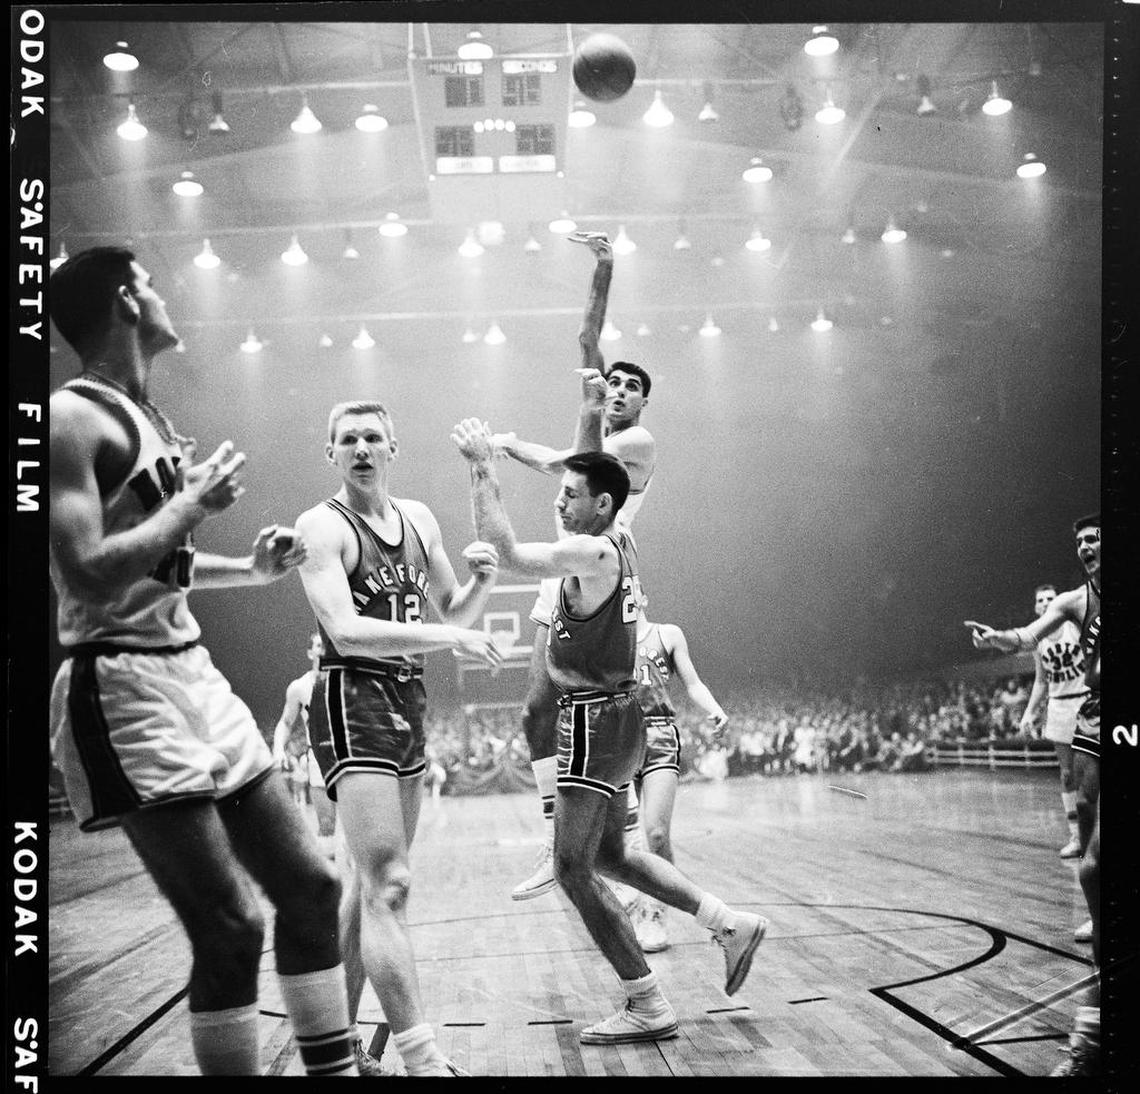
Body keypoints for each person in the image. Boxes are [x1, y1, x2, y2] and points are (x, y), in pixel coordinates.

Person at [47, 246, 357, 1076]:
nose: (163, 295)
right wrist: (190, 503)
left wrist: (247, 569)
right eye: (150, 283)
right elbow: (86, 569)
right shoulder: (70, 415)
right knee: (229, 928)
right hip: (120, 684)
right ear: (125, 299)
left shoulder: (146, 414)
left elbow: (158, 562)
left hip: (190, 670)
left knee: (312, 888)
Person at [453, 420, 767, 1045]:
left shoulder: (594, 553)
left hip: (595, 720)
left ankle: (647, 1001)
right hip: (616, 717)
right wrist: (526, 450)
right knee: (613, 856)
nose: (558, 501)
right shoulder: (617, 535)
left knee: (574, 869)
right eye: (560, 491)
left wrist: (483, 466)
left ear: (601, 504)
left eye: (570, 495)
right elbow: (566, 462)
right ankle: (726, 922)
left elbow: (506, 551)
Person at [294, 400, 504, 1077]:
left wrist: (482, 581)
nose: (361, 448)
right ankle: (422, 1057)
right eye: (347, 439)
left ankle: (333, 1052)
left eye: (372, 437)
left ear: (393, 448)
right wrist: (448, 634)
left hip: (407, 695)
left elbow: (456, 612)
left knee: (367, 886)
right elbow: (345, 630)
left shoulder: (419, 519)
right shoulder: (322, 526)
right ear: (331, 453)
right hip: (351, 694)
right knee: (391, 883)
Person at [489, 231, 657, 903]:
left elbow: (562, 462)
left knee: (604, 723)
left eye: (631, 387)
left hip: (603, 579)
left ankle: (637, 877)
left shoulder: (635, 443)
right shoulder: (593, 424)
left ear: (641, 404)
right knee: (536, 714)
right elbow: (588, 339)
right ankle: (555, 836)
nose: (618, 390)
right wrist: (603, 268)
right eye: (614, 382)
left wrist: (507, 447)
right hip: (566, 574)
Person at [964, 512, 1100, 949]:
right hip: (1090, 709)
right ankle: (1098, 913)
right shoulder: (1074, 602)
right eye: (1079, 542)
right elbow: (1025, 637)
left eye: (1093, 539)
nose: (1085, 547)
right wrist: (995, 638)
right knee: (1084, 802)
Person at [629, 611, 729, 954]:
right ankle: (633, 906)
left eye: (631, 587)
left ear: (641, 595)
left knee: (656, 834)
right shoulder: (606, 637)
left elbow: (693, 683)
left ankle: (655, 912)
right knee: (624, 842)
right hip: (618, 738)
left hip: (658, 734)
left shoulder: (667, 634)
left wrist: (714, 708)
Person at [1018, 584, 1087, 857]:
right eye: (1041, 600)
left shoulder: (1074, 624)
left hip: (1085, 699)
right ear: (1036, 608)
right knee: (1067, 774)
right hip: (1059, 706)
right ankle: (1077, 837)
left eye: (1051, 598)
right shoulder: (1038, 640)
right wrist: (1029, 712)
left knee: (1093, 771)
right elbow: (1041, 680)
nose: (1046, 602)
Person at [272, 632, 338, 855]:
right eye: (319, 645)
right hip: (319, 756)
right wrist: (278, 749)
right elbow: (286, 722)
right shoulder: (299, 687)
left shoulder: (346, 680)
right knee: (327, 824)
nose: (324, 649)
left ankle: (360, 873)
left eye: (327, 645)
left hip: (349, 752)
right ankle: (330, 874)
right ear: (310, 653)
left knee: (357, 826)